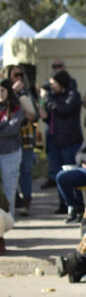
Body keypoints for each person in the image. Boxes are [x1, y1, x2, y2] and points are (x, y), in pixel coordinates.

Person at [39, 70, 83, 213]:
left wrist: (48, 99)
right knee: (58, 174)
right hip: (54, 140)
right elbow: (50, 117)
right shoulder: (53, 97)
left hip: (70, 141)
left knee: (71, 174)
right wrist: (43, 110)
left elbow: (63, 110)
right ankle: (64, 204)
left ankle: (78, 205)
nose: (51, 87)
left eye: (53, 84)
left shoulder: (73, 95)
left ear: (61, 82)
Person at [2, 65, 37, 216]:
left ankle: (23, 205)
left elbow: (32, 115)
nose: (19, 78)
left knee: (24, 172)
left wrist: (19, 94)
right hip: (6, 145)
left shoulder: (22, 98)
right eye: (15, 75)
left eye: (21, 75)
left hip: (21, 141)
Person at [0, 80, 25, 217]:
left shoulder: (15, 108)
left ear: (8, 91)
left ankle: (8, 219)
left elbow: (13, 129)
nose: (0, 94)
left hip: (11, 154)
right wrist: (5, 126)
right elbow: (7, 128)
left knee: (9, 189)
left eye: (2, 90)